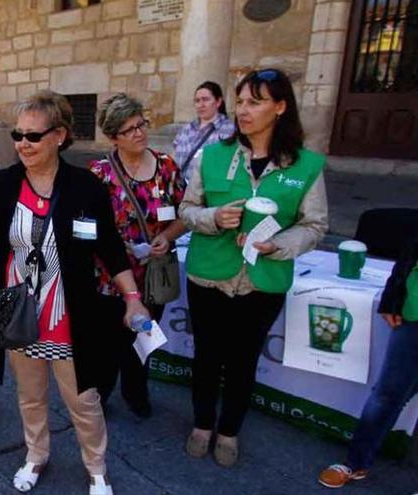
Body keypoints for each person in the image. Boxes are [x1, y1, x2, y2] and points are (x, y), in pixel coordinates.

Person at [0, 90, 150, 495]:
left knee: (84, 400)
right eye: (18, 135)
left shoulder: (85, 188)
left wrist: (132, 298)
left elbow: (111, 250)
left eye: (33, 136)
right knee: (30, 397)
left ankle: (96, 468)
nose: (22, 144)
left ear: (60, 135)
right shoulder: (2, 185)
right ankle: (36, 455)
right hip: (19, 315)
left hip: (69, 315)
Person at [179, 68, 329, 467]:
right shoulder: (213, 155)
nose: (244, 110)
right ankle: (202, 424)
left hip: (263, 282)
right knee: (208, 356)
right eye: (241, 101)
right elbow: (187, 209)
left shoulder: (306, 166)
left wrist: (277, 245)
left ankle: (229, 431)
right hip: (209, 275)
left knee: (243, 361)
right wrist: (213, 217)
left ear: (280, 108)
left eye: (255, 102)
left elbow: (315, 225)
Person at [89, 93, 187, 418]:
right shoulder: (99, 174)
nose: (139, 133)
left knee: (142, 340)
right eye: (129, 129)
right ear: (113, 137)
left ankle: (135, 391)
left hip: (153, 276)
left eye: (141, 124)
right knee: (106, 344)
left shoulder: (166, 167)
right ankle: (100, 394)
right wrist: (113, 245)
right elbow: (85, 229)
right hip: (111, 277)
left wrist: (167, 237)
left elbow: (185, 214)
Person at [318, 234, 418, 488]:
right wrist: (392, 297)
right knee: (388, 393)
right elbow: (411, 252)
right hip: (414, 316)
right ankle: (356, 463)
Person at [173, 81, 236, 182]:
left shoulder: (230, 130)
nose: (201, 105)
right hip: (182, 190)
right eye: (197, 101)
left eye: (206, 100)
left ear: (218, 102)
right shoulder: (185, 130)